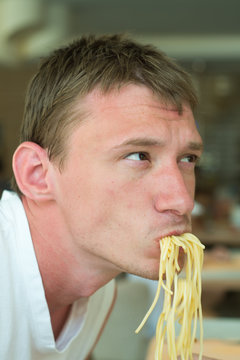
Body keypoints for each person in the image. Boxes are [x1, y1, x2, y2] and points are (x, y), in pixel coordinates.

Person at [0, 34, 215, 360]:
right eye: (139, 155)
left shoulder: (99, 289)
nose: (182, 200)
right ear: (37, 175)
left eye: (187, 159)